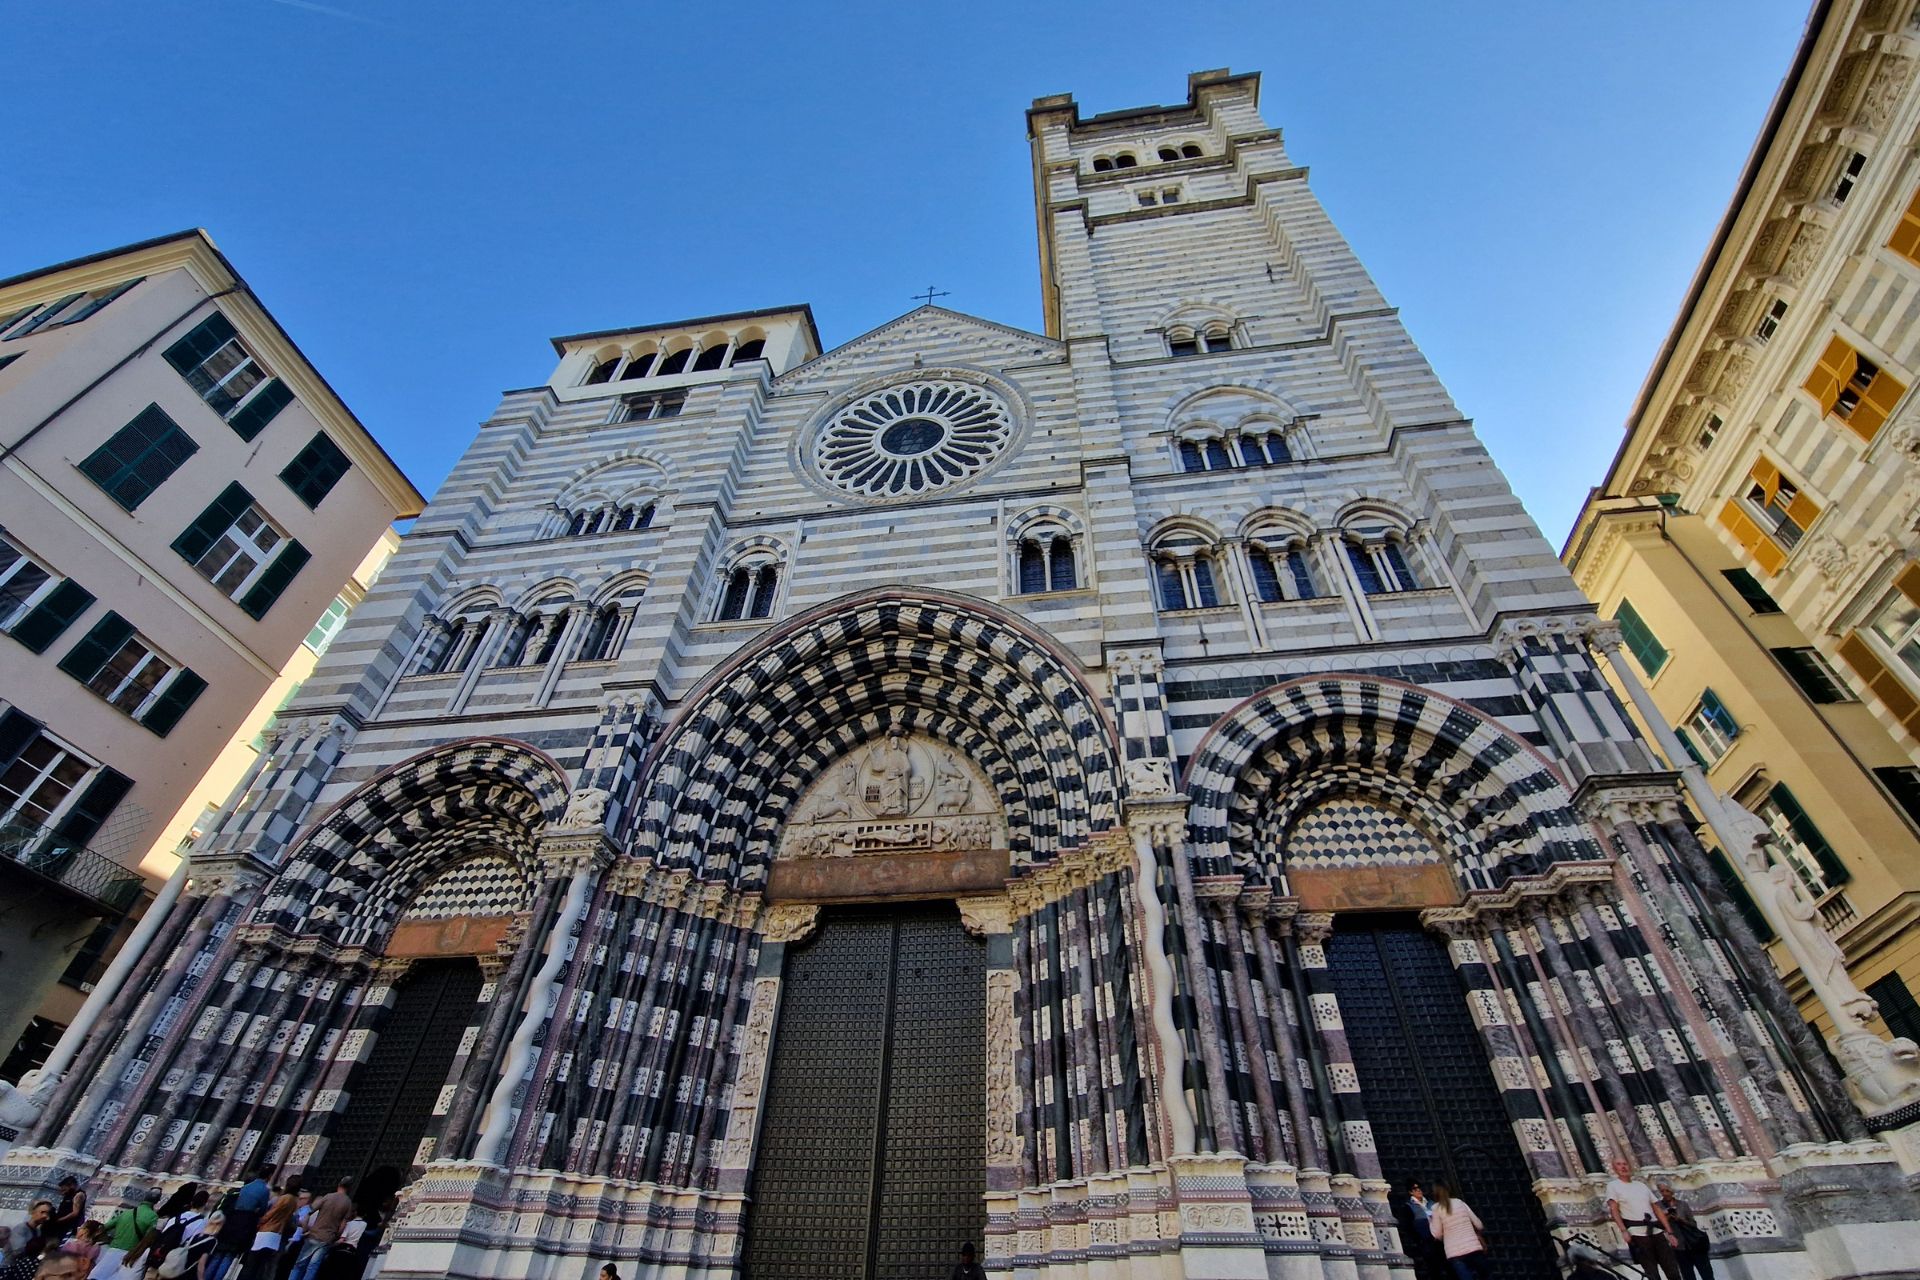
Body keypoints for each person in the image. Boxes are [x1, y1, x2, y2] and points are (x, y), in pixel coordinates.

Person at [1606, 1158, 1682, 1280]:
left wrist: (1670, 1232)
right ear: (1614, 1169)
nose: (1623, 1167)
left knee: (1672, 1268)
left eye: (1625, 1164)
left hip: (1656, 1230)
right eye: (1619, 1165)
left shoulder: (1641, 1185)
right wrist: (1623, 1230)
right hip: (1637, 1233)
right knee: (1651, 1271)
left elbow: (1656, 1208)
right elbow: (1614, 1210)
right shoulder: (1613, 1186)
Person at [1424, 1182, 1490, 1280]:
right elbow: (1479, 1225)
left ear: (1435, 1193)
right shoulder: (1459, 1202)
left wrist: (1430, 1221)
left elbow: (1437, 1234)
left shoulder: (1436, 1208)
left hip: (1455, 1254)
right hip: (1473, 1248)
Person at [286, 1182, 350, 1280]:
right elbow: (343, 1225)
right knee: (313, 1267)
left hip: (314, 1234)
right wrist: (336, 1236)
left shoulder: (328, 1197)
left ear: (339, 1185)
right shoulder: (348, 1203)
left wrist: (305, 1228)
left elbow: (309, 1212)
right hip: (327, 1238)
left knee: (300, 1264)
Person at [93, 1190, 160, 1280]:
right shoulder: (153, 1217)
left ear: (144, 1198)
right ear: (157, 1201)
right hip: (131, 1257)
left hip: (113, 1251)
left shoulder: (126, 1213)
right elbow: (149, 1238)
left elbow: (104, 1227)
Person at [241, 1181, 299, 1280]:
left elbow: (273, 1212)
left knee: (253, 1261)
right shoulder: (294, 1201)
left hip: (267, 1230)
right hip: (277, 1233)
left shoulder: (284, 1198)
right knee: (264, 1263)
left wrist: (261, 1222)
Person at [1656, 1182, 1713, 1280]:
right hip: (1678, 1247)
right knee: (1687, 1275)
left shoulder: (1682, 1204)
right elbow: (1658, 1225)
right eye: (1662, 1191)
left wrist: (1681, 1219)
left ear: (1672, 1192)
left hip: (1693, 1243)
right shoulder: (1659, 1206)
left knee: (1706, 1273)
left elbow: (1693, 1224)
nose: (1665, 1193)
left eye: (1667, 1191)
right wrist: (1667, 1218)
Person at [50, 1180, 86, 1244]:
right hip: (62, 1226)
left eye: (64, 1190)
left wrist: (59, 1220)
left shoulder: (78, 1195)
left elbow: (75, 1213)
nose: (63, 1193)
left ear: (71, 1186)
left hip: (69, 1227)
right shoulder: (68, 1195)